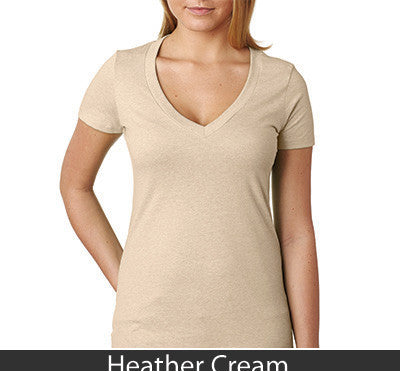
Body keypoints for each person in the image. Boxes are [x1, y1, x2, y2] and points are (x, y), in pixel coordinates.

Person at [60, 0, 319, 348]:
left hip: (257, 331)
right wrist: (128, 282)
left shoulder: (283, 84)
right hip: (148, 334)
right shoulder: (123, 74)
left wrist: (310, 353)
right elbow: (75, 185)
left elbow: (296, 232)